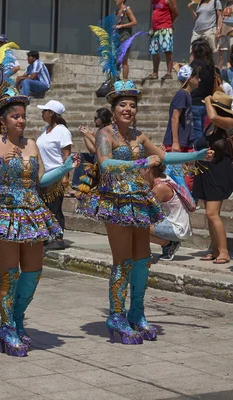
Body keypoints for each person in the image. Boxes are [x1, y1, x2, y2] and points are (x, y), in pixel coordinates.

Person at [76, 79, 213, 345]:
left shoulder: (138, 136)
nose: (129, 109)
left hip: (138, 201)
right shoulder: (106, 133)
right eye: (123, 105)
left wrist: (194, 156)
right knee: (122, 259)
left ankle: (136, 313)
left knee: (142, 258)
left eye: (133, 105)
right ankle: (116, 315)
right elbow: (105, 164)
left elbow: (163, 157)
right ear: (114, 110)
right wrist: (139, 161)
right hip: (115, 201)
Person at [0, 44, 78, 357]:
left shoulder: (32, 144)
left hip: (32, 212)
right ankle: (7, 327)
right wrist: (3, 162)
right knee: (10, 272)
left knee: (33, 271)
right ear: (3, 120)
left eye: (23, 116)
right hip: (3, 214)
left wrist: (65, 168)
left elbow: (41, 180)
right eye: (15, 117)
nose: (21, 121)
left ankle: (17, 320)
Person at [195, 92, 233, 264]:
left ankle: (224, 252)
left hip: (219, 172)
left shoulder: (228, 122)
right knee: (208, 214)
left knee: (212, 213)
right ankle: (215, 248)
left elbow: (212, 115)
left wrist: (208, 99)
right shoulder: (211, 126)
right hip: (206, 171)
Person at [35, 100, 72, 250]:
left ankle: (58, 237)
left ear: (51, 113)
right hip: (44, 175)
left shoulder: (62, 131)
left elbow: (66, 156)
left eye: (44, 111)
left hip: (56, 174)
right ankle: (47, 235)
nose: (42, 113)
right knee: (44, 207)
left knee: (55, 207)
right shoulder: (46, 130)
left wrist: (65, 175)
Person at [141, 164, 193, 261]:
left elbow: (145, 209)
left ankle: (168, 244)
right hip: (176, 224)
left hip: (177, 228)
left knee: (137, 226)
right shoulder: (165, 178)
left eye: (139, 169)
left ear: (148, 169)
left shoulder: (160, 187)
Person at [164, 65, 201, 153]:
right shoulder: (181, 95)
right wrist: (176, 142)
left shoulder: (187, 95)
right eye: (197, 77)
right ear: (190, 78)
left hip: (185, 141)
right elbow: (175, 117)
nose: (199, 80)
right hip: (178, 143)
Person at [190, 38, 217, 145]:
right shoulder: (210, 65)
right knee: (205, 132)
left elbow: (187, 81)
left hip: (195, 102)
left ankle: (200, 158)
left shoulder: (195, 64)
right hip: (207, 103)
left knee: (197, 134)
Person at [148, 0, 179, 80]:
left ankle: (169, 73)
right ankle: (155, 73)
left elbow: (176, 13)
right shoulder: (153, 1)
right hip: (155, 29)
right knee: (154, 51)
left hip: (165, 27)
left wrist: (169, 23)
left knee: (167, 50)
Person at [114, 0, 138, 80]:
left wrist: (122, 26)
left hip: (125, 37)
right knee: (116, 59)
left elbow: (134, 22)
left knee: (124, 59)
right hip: (117, 38)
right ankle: (116, 78)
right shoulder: (117, 11)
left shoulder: (127, 9)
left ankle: (125, 80)